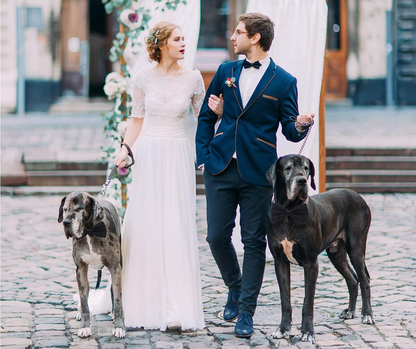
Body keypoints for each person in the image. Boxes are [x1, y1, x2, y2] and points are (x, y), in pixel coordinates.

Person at [195, 13, 315, 338]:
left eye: (238, 32)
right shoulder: (226, 71)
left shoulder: (284, 81)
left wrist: (301, 123)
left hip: (259, 172)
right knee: (216, 237)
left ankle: (246, 311)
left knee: (253, 242)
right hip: (220, 166)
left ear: (256, 38)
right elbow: (206, 116)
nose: (233, 38)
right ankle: (235, 288)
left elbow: (289, 130)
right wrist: (203, 154)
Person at [113, 21, 220, 331]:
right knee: (147, 223)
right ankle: (140, 302)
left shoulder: (193, 78)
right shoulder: (143, 78)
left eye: (184, 38)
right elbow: (136, 119)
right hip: (148, 154)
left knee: (175, 224)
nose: (183, 43)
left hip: (177, 154)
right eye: (177, 39)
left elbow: (204, 120)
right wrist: (125, 149)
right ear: (161, 45)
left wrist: (220, 114)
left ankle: (175, 305)